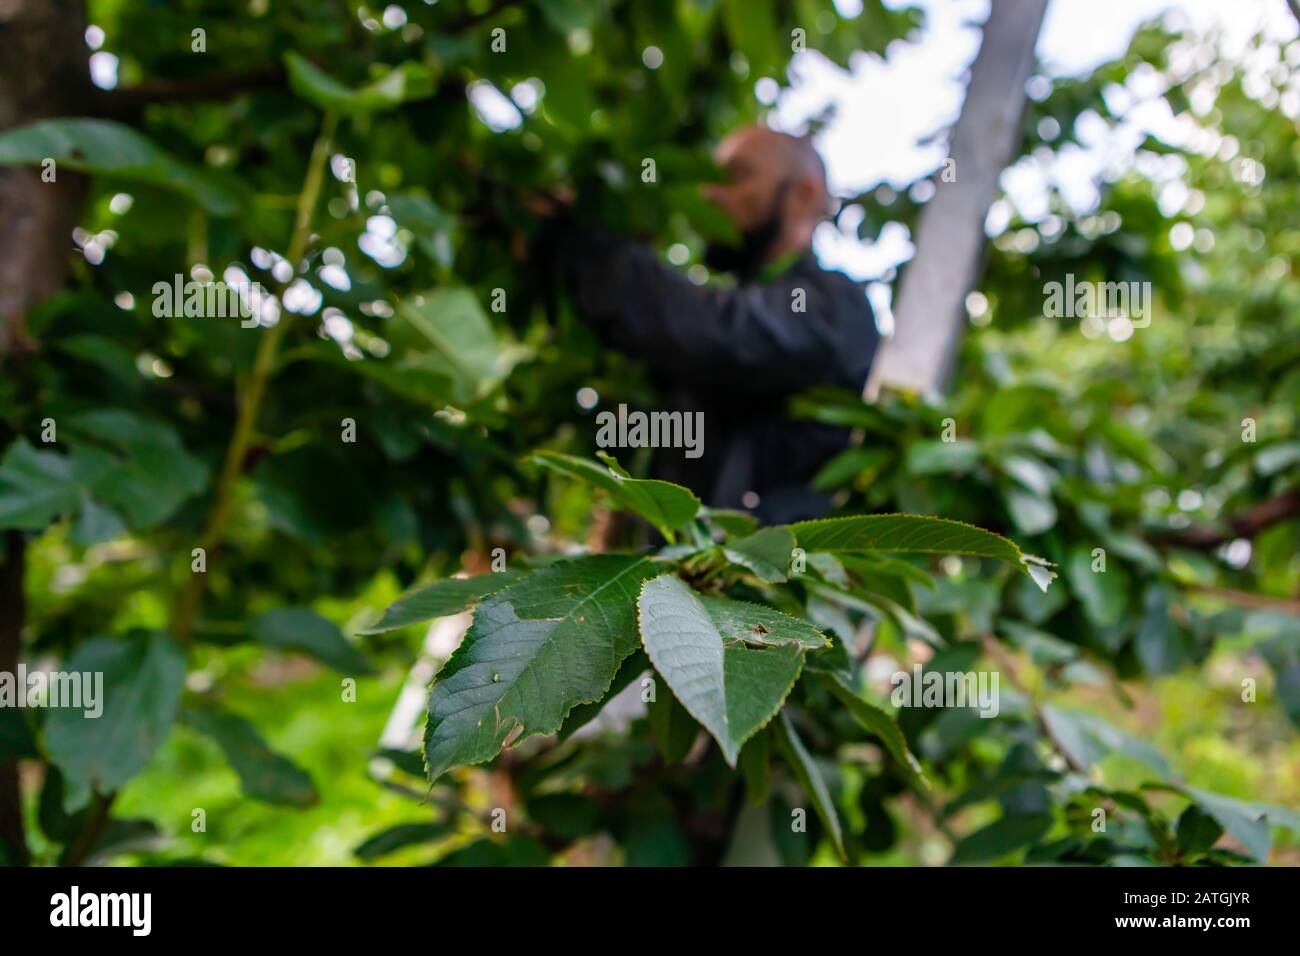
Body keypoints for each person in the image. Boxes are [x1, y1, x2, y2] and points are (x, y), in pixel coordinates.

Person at [540, 126, 881, 526]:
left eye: (735, 177)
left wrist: (575, 241)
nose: (709, 195)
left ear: (804, 194)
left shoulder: (834, 304)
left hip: (767, 579)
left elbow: (713, 332)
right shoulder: (740, 308)